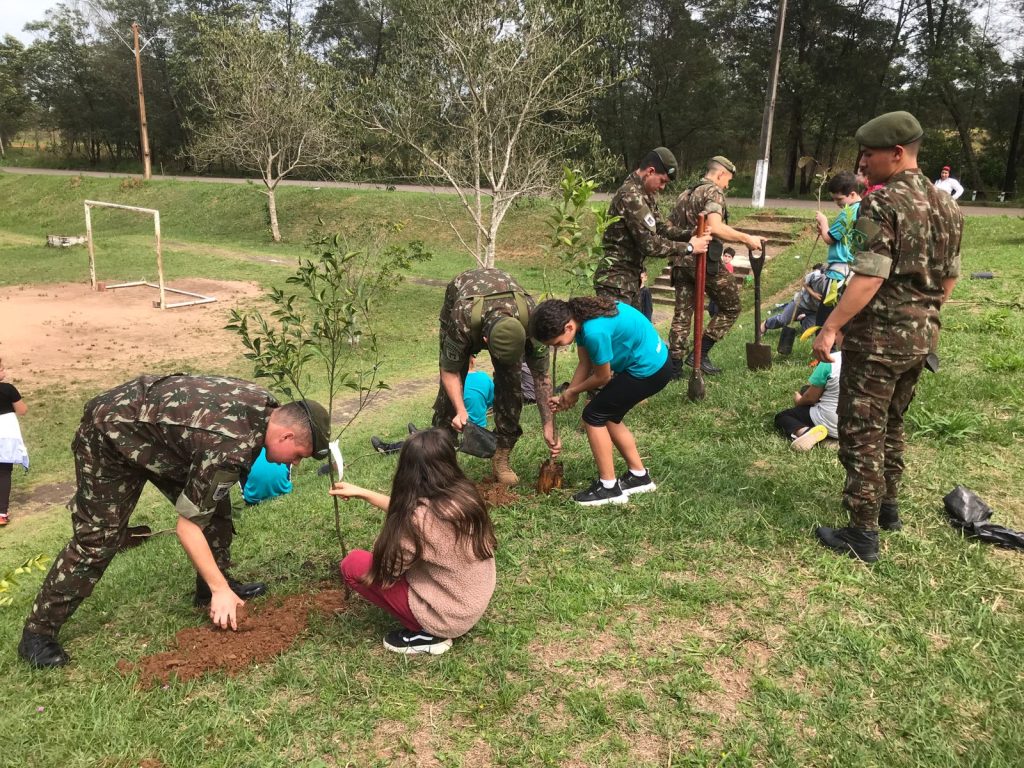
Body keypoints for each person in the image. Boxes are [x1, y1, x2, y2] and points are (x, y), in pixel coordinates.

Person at [17, 374, 331, 668]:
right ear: (286, 435)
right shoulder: (229, 447)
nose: (296, 463)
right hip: (109, 434)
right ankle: (38, 634)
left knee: (215, 512)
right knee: (99, 539)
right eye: (298, 455)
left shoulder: (266, 407)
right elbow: (187, 526)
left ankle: (209, 590)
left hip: (161, 438)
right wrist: (222, 589)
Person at [812, 111, 963, 563]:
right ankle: (888, 508)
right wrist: (924, 316)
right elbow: (949, 277)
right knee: (893, 423)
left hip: (878, 341)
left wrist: (831, 325)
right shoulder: (947, 206)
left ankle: (862, 532)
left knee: (861, 430)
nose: (862, 163)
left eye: (869, 154)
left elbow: (869, 277)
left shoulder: (880, 204)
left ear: (897, 153)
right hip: (921, 339)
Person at [332, 429, 496, 655]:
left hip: (448, 617)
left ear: (406, 471)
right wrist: (364, 493)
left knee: (353, 564)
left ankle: (428, 634)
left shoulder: (416, 521)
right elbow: (415, 513)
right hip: (472, 600)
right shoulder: (464, 495)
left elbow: (388, 571)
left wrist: (388, 539)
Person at [531, 297, 672, 506]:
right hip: (654, 364)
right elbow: (585, 363)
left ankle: (609, 488)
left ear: (568, 327)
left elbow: (602, 377)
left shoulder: (594, 332)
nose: (558, 347)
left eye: (557, 343)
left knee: (593, 415)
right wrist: (569, 393)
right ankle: (639, 477)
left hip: (649, 370)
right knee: (607, 415)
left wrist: (573, 391)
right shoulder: (581, 318)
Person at [433, 268, 556, 485]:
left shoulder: (532, 319)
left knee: (511, 386)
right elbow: (450, 371)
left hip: (509, 307)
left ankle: (501, 456)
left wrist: (548, 424)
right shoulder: (462, 318)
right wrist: (461, 410)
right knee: (449, 397)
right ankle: (442, 460)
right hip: (462, 299)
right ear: (485, 342)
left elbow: (541, 376)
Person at [668, 156, 764, 376]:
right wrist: (747, 238)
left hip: (681, 260)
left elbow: (669, 226)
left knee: (682, 314)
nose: (727, 185)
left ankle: (674, 367)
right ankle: (700, 354)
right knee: (732, 306)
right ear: (720, 174)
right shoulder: (713, 192)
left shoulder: (685, 194)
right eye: (728, 179)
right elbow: (716, 227)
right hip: (702, 261)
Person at [594, 147, 711, 309]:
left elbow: (660, 229)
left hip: (630, 281)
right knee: (619, 326)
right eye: (662, 181)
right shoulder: (630, 195)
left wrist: (690, 233)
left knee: (635, 326)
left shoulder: (645, 194)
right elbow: (649, 244)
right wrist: (689, 247)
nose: (663, 187)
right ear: (650, 171)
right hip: (615, 282)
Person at [373, 359, 495, 455]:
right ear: (473, 360)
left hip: (461, 433)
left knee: (428, 445)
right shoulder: (484, 378)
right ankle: (419, 434)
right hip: (479, 431)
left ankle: (389, 448)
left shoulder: (452, 383)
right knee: (435, 433)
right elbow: (491, 402)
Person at [813, 171, 863, 328]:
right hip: (852, 270)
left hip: (838, 273)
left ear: (852, 194)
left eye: (839, 199)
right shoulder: (863, 208)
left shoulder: (848, 213)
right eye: (834, 199)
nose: (837, 203)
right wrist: (824, 230)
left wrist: (823, 222)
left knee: (825, 317)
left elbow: (829, 239)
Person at [774, 350, 842, 451]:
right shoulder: (868, 360)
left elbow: (810, 398)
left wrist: (798, 401)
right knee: (805, 389)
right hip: (863, 428)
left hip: (833, 424)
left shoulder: (830, 360)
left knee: (783, 416)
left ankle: (806, 432)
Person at [0, 358, 30, 527]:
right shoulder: (8, 389)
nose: (4, 372)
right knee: (4, 473)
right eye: (1, 369)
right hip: (5, 436)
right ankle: (1, 514)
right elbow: (22, 410)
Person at [762, 264, 827, 335]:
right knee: (783, 321)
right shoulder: (815, 275)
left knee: (808, 332)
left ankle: (802, 317)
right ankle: (765, 324)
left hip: (814, 310)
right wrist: (814, 294)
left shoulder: (833, 285)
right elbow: (804, 282)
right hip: (800, 302)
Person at [707, 247, 736, 318]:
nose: (726, 258)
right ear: (722, 256)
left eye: (729, 257)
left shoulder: (729, 267)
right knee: (711, 310)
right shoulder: (719, 265)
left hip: (721, 293)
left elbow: (726, 280)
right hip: (714, 291)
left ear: (732, 258)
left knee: (716, 311)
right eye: (725, 256)